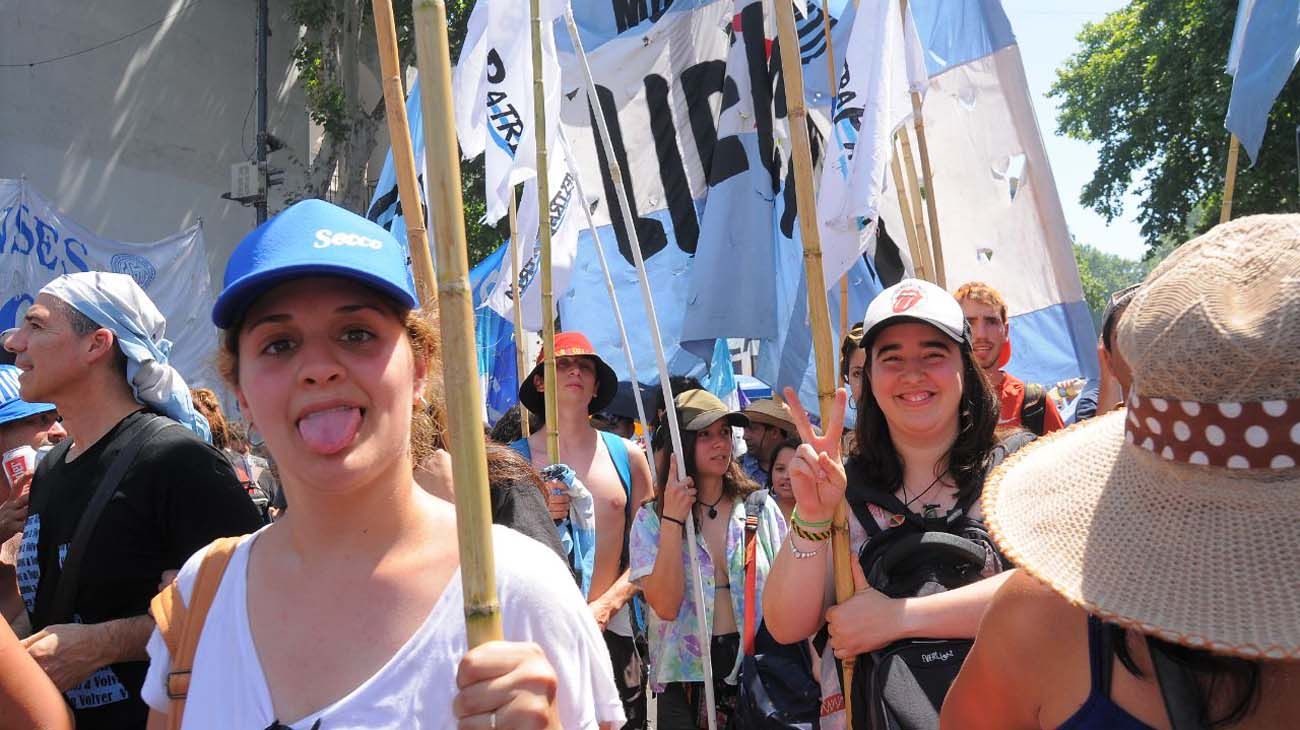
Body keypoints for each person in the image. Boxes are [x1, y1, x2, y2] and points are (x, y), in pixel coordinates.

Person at [141, 199, 623, 728]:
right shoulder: (202, 592)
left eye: (357, 334)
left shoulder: (522, 591)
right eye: (280, 344)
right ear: (242, 395)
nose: (320, 368)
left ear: (418, 371)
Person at [944, 214, 1300, 728]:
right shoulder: (1039, 625)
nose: (979, 333)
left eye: (988, 321)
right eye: (967, 322)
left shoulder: (1042, 624)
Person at [1, 272, 263, 730]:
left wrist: (107, 642)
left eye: (37, 326)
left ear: (96, 344)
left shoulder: (177, 460)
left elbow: (252, 609)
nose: (15, 342)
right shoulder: (50, 467)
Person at [763, 278, 1019, 727]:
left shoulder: (1017, 473)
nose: (912, 373)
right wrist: (815, 515)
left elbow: (1052, 595)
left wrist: (898, 619)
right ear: (871, 376)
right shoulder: (843, 489)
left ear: (966, 366)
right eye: (892, 358)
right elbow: (786, 625)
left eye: (933, 354)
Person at [513, 331, 655, 729]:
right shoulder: (512, 463)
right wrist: (535, 512)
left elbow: (651, 547)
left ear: (595, 386)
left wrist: (608, 604)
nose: (575, 370)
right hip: (537, 638)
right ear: (540, 382)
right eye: (562, 364)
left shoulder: (627, 456)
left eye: (585, 366)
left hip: (613, 632)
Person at [631, 389, 786, 728]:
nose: (720, 444)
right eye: (705, 435)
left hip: (756, 669)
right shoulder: (650, 521)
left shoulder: (759, 508)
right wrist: (673, 519)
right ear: (681, 444)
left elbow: (786, 592)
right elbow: (666, 606)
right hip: (683, 679)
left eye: (725, 433)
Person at [954, 281, 1065, 436]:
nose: (981, 334)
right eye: (969, 323)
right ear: (955, 331)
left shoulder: (1034, 403)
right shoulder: (938, 402)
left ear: (1005, 331)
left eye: (991, 322)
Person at [738, 398, 795, 485]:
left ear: (774, 432)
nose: (745, 436)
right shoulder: (737, 469)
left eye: (752, 429)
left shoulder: (800, 466)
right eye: (745, 429)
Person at [766, 437, 802, 524]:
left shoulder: (821, 516)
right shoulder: (759, 511)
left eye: (795, 470)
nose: (787, 476)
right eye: (780, 469)